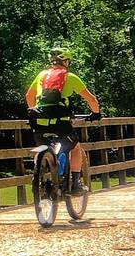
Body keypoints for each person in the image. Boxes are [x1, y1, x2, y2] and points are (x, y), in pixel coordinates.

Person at [25, 47, 101, 180]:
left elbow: (28, 96)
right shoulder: (70, 77)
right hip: (61, 124)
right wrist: (95, 113)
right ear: (66, 62)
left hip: (38, 124)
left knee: (44, 147)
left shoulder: (41, 75)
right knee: (76, 148)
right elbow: (91, 99)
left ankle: (42, 172)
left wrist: (37, 112)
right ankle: (76, 182)